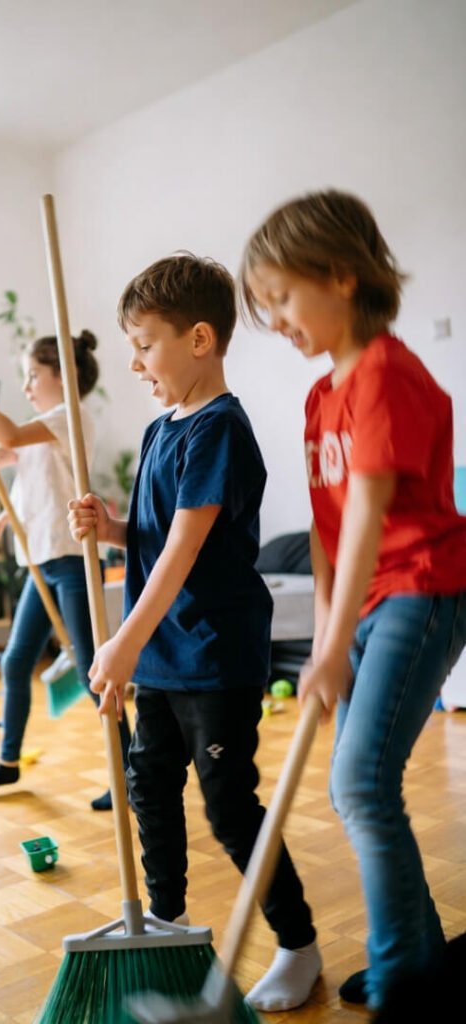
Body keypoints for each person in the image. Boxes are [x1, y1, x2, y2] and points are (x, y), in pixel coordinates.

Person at [68, 254, 321, 1012]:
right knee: (149, 785)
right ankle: (167, 920)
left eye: (145, 344)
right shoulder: (159, 429)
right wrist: (111, 529)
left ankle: (299, 945)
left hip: (214, 653)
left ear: (200, 338)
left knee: (229, 805)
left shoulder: (220, 431)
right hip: (165, 653)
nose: (135, 362)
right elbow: (153, 536)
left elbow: (183, 556)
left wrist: (122, 641)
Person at [236, 189, 466, 1013]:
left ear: (340, 275)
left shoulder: (386, 374)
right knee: (352, 786)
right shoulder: (317, 398)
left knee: (364, 784)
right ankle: (424, 956)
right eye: (263, 308)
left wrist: (332, 648)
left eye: (281, 298)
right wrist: (330, 624)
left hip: (423, 588)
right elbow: (331, 532)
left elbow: (370, 509)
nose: (276, 321)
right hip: (367, 599)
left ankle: (405, 974)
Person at [0, 330, 132, 811]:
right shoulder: (41, 429)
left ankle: (131, 771)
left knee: (95, 670)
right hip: (41, 562)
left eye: (32, 375)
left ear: (61, 377)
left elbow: (5, 436)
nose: (25, 386)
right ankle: (8, 762)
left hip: (70, 560)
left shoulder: (70, 418)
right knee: (15, 661)